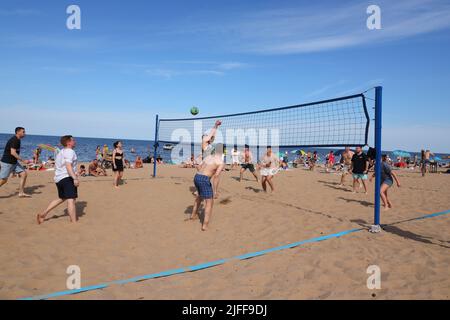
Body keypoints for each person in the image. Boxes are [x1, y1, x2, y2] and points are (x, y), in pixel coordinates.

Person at [37, 135, 79, 224]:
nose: (75, 141)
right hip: (67, 178)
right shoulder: (70, 151)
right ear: (68, 142)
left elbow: (60, 166)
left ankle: (43, 214)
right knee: (71, 199)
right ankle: (74, 222)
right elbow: (68, 166)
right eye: (73, 140)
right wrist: (74, 178)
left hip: (59, 179)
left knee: (62, 198)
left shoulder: (61, 152)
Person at [189, 143, 225, 231]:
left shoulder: (208, 157)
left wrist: (202, 175)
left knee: (199, 197)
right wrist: (215, 191)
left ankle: (193, 215)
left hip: (197, 176)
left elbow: (198, 167)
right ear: (222, 152)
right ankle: (205, 225)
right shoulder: (220, 162)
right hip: (204, 179)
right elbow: (216, 176)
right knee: (209, 202)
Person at [0, 127, 31, 197]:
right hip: (7, 162)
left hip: (14, 162)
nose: (25, 133)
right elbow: (13, 152)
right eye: (23, 132)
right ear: (18, 132)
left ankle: (21, 192)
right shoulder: (15, 140)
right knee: (3, 180)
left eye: (24, 132)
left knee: (23, 174)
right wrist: (23, 160)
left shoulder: (17, 140)